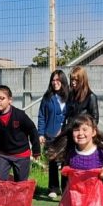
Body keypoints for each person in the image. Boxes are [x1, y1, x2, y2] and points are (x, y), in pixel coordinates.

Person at [0, 85, 40, 181]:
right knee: (0, 181)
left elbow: (32, 130)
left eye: (2, 98)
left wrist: (36, 150)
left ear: (10, 100)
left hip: (22, 154)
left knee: (20, 184)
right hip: (3, 154)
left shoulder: (20, 115)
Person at [37, 70, 69, 198]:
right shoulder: (47, 97)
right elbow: (41, 116)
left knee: (66, 163)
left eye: (58, 80)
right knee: (53, 162)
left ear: (63, 81)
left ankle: (66, 188)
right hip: (50, 134)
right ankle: (53, 189)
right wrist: (40, 133)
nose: (55, 83)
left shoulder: (70, 96)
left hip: (67, 135)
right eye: (53, 80)